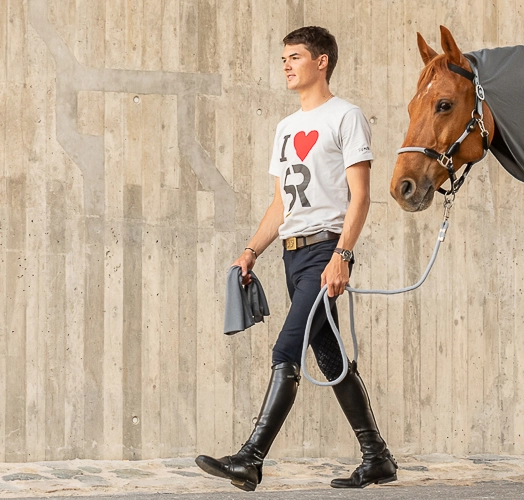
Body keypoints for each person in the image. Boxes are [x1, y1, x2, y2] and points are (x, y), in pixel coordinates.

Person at [195, 26, 396, 491]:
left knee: (286, 349)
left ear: (322, 61)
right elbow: (280, 204)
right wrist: (251, 251)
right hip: (292, 257)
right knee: (330, 358)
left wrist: (342, 255)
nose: (286, 65)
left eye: (296, 57)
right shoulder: (285, 128)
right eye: (283, 58)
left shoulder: (346, 117)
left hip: (326, 251)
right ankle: (377, 458)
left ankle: (250, 459)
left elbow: (361, 196)